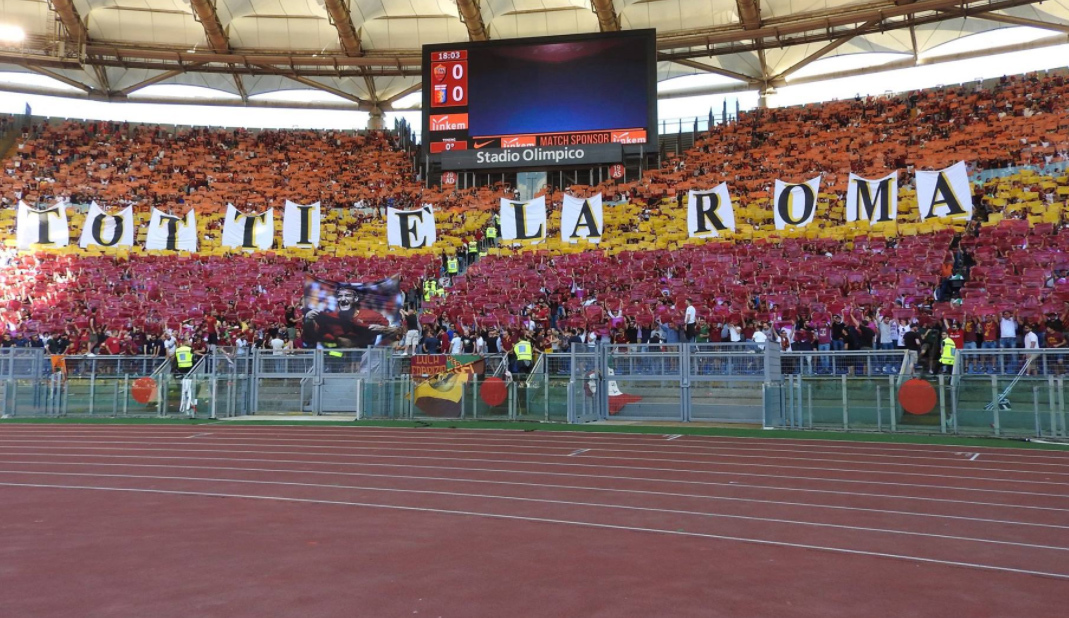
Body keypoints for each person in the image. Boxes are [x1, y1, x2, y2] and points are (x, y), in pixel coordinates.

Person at [303, 285, 392, 349]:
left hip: (366, 356)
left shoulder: (372, 315)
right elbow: (314, 334)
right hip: (339, 357)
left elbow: (391, 329)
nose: (343, 299)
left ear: (356, 299)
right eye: (340, 296)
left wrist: (381, 329)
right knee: (332, 354)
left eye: (347, 295)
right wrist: (308, 320)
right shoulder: (329, 317)